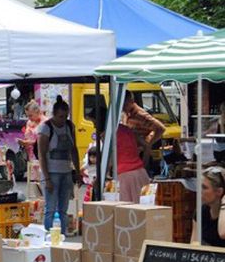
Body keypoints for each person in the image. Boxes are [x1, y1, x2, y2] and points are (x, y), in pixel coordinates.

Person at [87, 105, 150, 203]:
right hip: (141, 173)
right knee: (143, 210)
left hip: (125, 177)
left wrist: (98, 180)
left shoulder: (107, 135)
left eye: (95, 122)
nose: (94, 126)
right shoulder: (126, 129)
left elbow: (107, 160)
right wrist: (143, 165)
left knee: (127, 211)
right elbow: (146, 146)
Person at [37, 96, 82, 234]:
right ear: (54, 115)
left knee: (63, 208)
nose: (63, 120)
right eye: (61, 116)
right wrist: (47, 178)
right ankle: (49, 235)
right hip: (52, 172)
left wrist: (77, 171)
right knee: (50, 208)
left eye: (66, 116)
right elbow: (42, 155)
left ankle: (62, 235)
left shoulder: (70, 126)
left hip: (66, 172)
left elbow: (74, 149)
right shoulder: (45, 128)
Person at [191, 167, 225, 246]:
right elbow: (194, 244)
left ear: (219, 191)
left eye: (204, 187)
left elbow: (223, 234)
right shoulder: (201, 212)